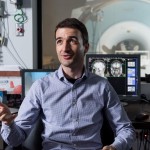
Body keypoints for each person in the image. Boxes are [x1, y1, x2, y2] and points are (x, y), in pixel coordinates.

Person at [0, 18, 136, 150]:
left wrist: (115, 147)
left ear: (86, 47)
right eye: (60, 41)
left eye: (72, 41)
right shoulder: (40, 87)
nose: (65, 48)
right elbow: (15, 140)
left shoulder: (102, 87)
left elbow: (126, 129)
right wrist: (8, 123)